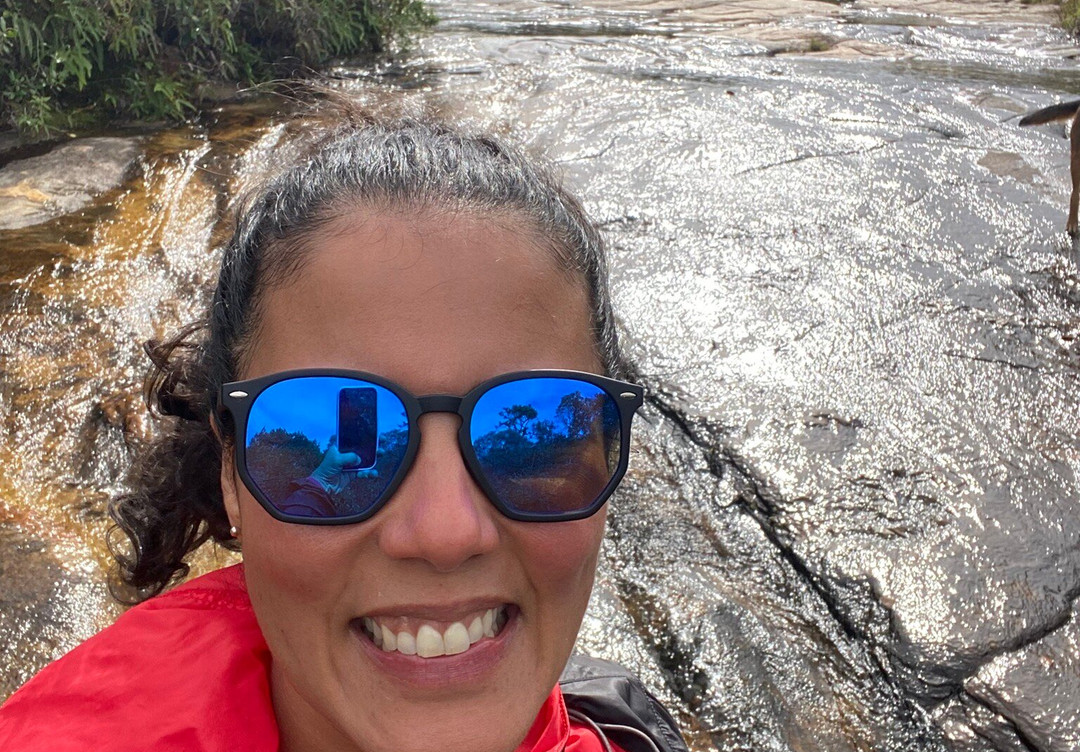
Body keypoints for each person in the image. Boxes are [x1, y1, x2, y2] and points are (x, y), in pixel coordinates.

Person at [0, 100, 687, 752]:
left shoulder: (625, 730)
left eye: (538, 441)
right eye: (339, 428)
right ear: (231, 475)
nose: (445, 534)